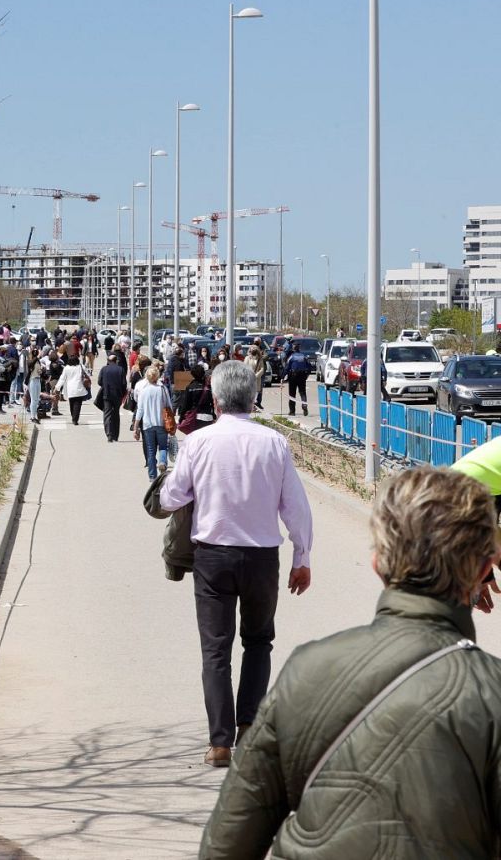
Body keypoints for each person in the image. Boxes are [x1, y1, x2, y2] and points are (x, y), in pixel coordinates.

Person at [201, 466, 501, 858]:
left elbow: (227, 845)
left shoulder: (306, 671)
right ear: (482, 571)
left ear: (378, 563)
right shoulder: (492, 695)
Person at [159, 360, 313, 768]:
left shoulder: (198, 442)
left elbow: (171, 497)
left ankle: (219, 743)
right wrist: (303, 557)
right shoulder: (274, 443)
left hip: (213, 556)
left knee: (216, 650)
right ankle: (249, 726)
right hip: (263, 557)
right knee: (259, 641)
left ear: (216, 396)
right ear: (253, 397)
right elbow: (295, 507)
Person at [131, 365, 173, 480]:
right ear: (157, 376)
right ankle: (163, 462)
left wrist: (136, 428)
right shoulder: (162, 389)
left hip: (147, 425)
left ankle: (152, 476)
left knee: (150, 450)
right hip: (161, 423)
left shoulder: (143, 392)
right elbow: (169, 406)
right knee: (163, 447)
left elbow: (140, 411)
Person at [176, 364, 217, 435]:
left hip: (195, 418)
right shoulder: (208, 388)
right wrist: (214, 415)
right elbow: (212, 403)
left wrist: (181, 418)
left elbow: (186, 405)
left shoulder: (190, 387)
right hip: (208, 417)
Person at [96, 351, 128, 442]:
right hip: (117, 396)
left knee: (107, 415)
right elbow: (124, 384)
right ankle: (116, 435)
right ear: (116, 360)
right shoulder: (120, 369)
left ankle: (109, 434)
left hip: (107, 394)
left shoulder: (104, 369)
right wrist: (122, 394)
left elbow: (99, 382)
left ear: (108, 360)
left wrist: (105, 385)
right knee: (116, 415)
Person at [54, 354, 90, 425]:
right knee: (78, 404)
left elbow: (62, 378)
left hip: (70, 388)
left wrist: (57, 387)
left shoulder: (66, 368)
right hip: (79, 387)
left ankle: (73, 417)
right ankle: (75, 419)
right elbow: (87, 373)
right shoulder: (80, 366)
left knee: (72, 403)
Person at [285, 345, 311, 416]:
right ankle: (304, 405)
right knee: (303, 392)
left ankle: (292, 411)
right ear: (299, 349)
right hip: (302, 376)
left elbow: (287, 367)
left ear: (293, 349)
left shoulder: (291, 357)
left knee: (292, 394)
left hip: (293, 376)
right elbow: (309, 366)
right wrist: (307, 375)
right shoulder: (304, 356)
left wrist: (283, 376)